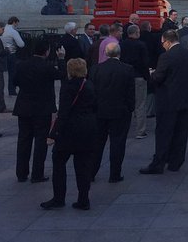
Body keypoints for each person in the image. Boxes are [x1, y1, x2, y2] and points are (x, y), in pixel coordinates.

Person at [42, 58, 97, 211]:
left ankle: (59, 197)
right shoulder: (90, 85)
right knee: (83, 166)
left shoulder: (67, 87)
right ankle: (83, 199)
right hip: (87, 128)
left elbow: (64, 113)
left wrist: (53, 133)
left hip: (70, 129)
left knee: (59, 162)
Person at [140, 30, 188, 175]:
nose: (162, 45)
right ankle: (176, 162)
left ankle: (159, 162)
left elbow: (159, 77)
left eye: (163, 42)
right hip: (185, 98)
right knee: (181, 132)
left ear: (167, 41)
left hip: (168, 100)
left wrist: (152, 74)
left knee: (164, 132)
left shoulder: (166, 56)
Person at [12, 35, 60, 183]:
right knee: (40, 141)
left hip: (24, 106)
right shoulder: (47, 66)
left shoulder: (21, 65)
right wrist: (62, 59)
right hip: (42, 108)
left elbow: (15, 82)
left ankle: (21, 173)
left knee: (23, 140)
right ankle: (37, 173)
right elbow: (62, 75)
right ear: (46, 51)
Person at [91, 42, 135, 184]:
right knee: (118, 143)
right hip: (120, 111)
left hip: (100, 111)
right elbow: (130, 92)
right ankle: (114, 174)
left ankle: (91, 172)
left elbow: (91, 91)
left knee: (97, 144)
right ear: (119, 53)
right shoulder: (127, 69)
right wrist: (130, 108)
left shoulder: (96, 69)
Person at [119, 24, 150, 139]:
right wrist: (148, 76)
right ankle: (140, 131)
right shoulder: (141, 45)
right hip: (138, 76)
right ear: (137, 32)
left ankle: (124, 128)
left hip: (125, 77)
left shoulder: (121, 44)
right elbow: (145, 62)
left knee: (126, 102)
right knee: (140, 104)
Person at [1, 16, 24, 96]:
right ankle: (12, 90)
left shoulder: (3, 29)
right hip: (11, 53)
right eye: (17, 23)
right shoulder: (13, 31)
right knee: (12, 73)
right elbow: (21, 44)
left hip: (3, 53)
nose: (17, 25)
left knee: (1, 73)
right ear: (14, 22)